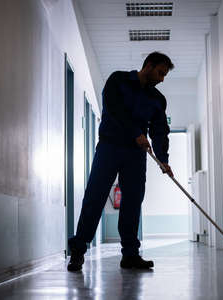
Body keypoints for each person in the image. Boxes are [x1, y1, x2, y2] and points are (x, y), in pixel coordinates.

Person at [67, 52, 174, 272]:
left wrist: (163, 159)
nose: (162, 78)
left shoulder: (157, 99)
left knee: (133, 202)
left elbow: (160, 131)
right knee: (95, 197)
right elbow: (115, 110)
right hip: (110, 147)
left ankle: (130, 256)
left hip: (135, 155)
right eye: (160, 72)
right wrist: (136, 132)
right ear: (149, 65)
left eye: (165, 75)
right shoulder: (118, 80)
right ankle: (78, 251)